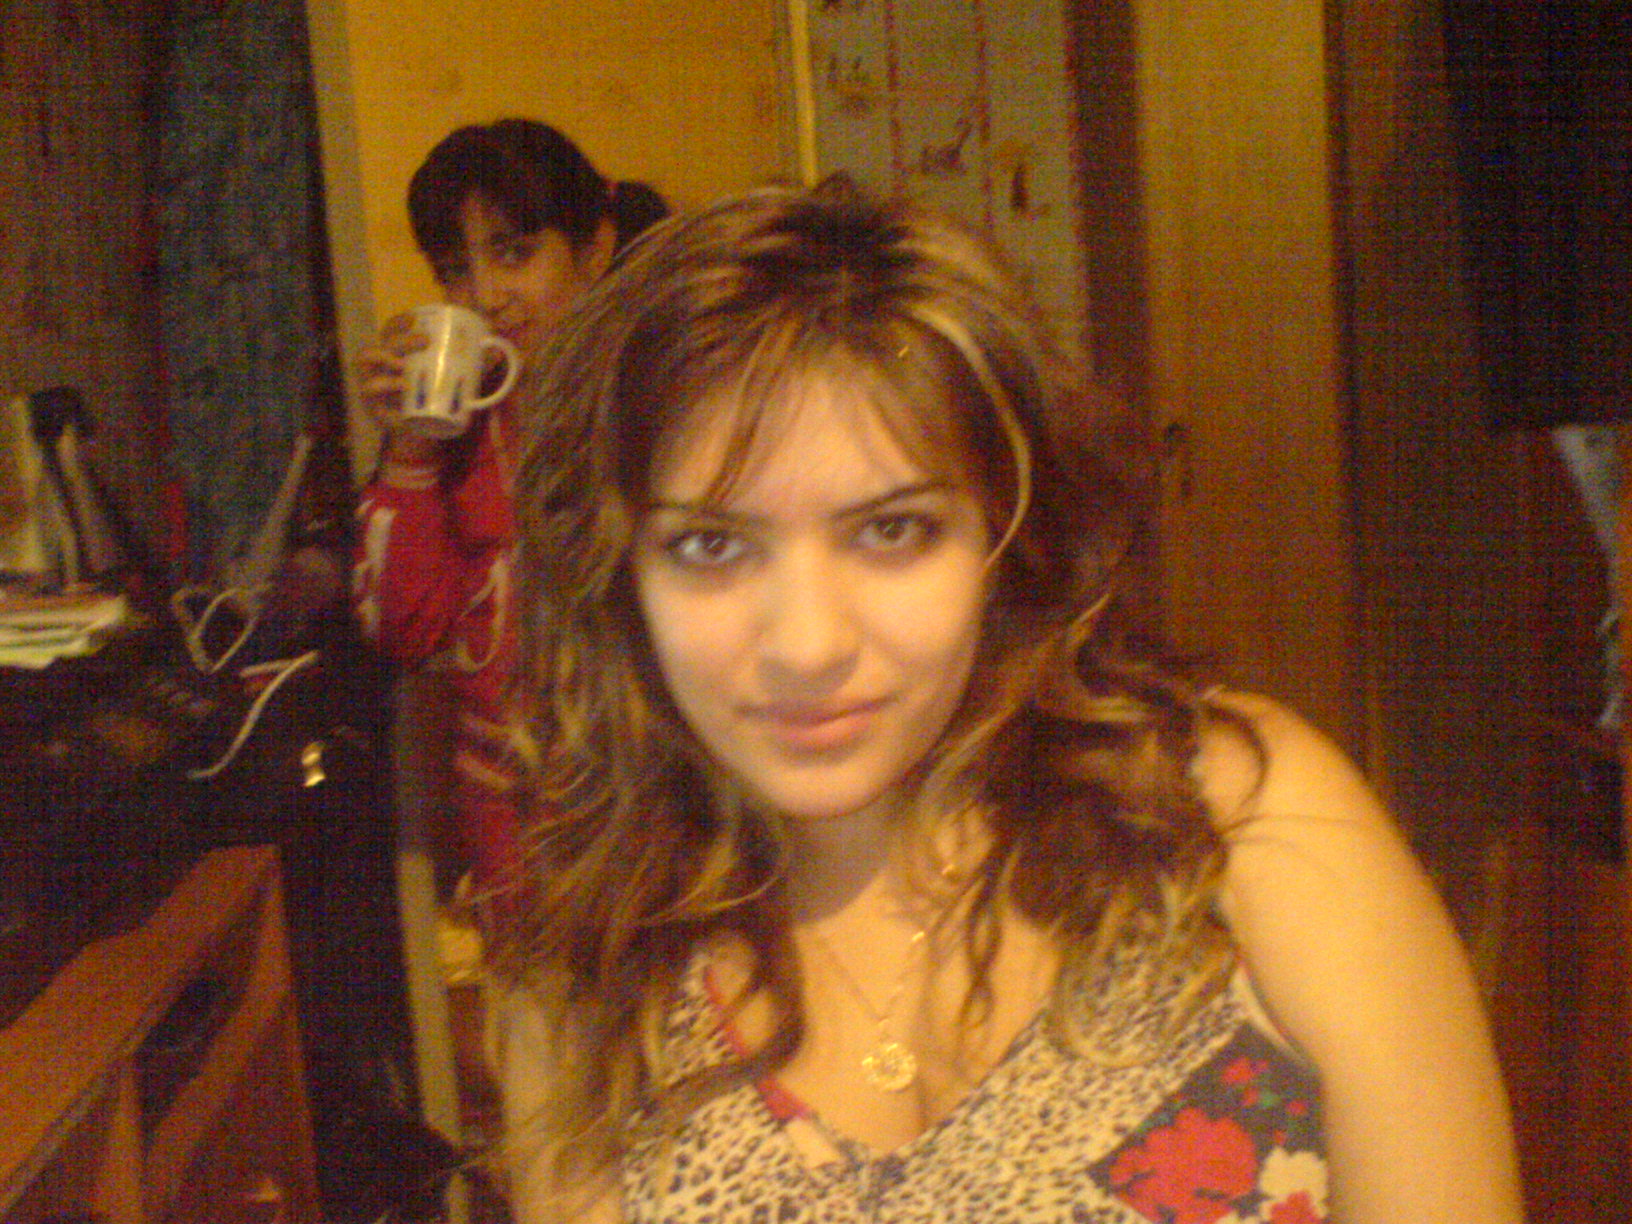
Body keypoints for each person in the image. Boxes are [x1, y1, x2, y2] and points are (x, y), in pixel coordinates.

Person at [495, 179, 1525, 1223]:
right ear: (618, 576)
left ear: (1007, 535)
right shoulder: (586, 989)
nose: (807, 646)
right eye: (712, 546)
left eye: (891, 531)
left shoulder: (1239, 817)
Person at [352, 119, 669, 908]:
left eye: (514, 253)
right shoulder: (460, 438)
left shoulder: (665, 405)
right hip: (509, 829)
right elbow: (402, 629)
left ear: (593, 251)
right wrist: (412, 447)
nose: (487, 297)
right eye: (456, 270)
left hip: (650, 810)